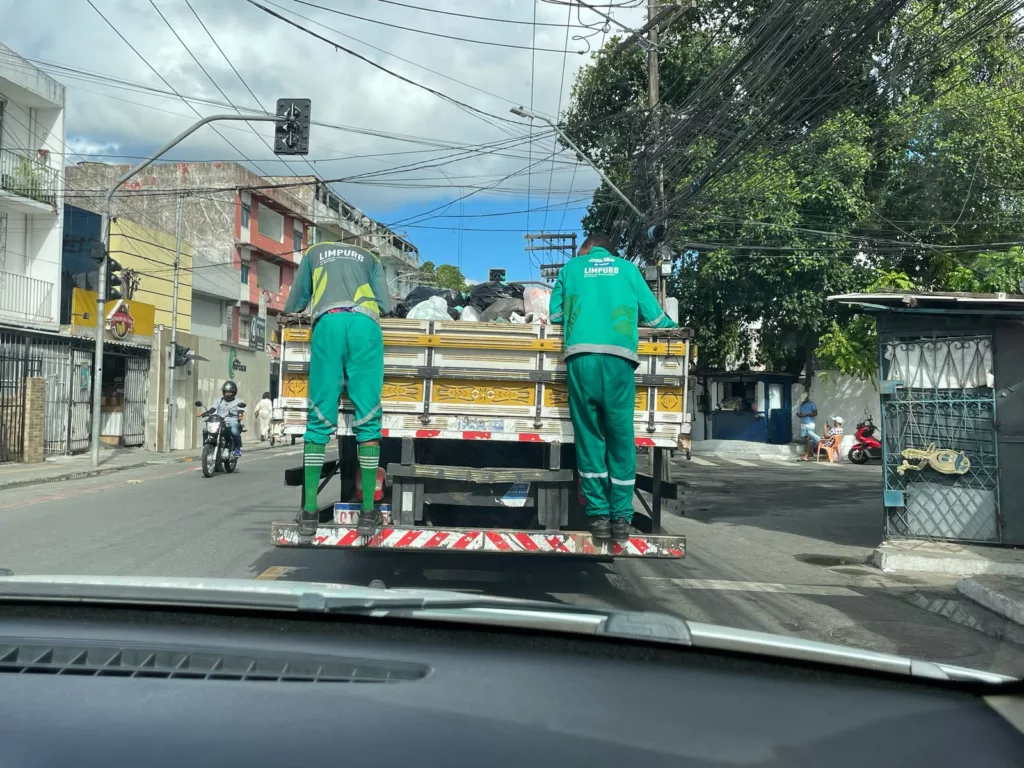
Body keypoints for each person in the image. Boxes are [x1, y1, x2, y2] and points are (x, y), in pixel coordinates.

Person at [549, 233, 678, 543]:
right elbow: (657, 318)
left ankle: (598, 517)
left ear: (590, 249)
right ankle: (621, 517)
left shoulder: (571, 269)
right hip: (620, 362)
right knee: (620, 438)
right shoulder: (629, 270)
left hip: (581, 360)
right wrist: (674, 331)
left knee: (589, 437)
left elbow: (554, 317)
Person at [283, 241, 391, 536]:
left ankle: (308, 513)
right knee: (368, 419)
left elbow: (295, 303)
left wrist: (292, 311)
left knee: (318, 419)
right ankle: (368, 513)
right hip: (366, 328)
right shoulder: (370, 257)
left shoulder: (315, 252)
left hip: (328, 326)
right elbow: (385, 305)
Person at [207, 381, 243, 457]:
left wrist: (240, 414)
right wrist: (206, 413)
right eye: (226, 392)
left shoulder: (238, 401)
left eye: (230, 392)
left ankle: (237, 448)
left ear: (234, 392)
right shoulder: (219, 400)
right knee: (206, 430)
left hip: (232, 420)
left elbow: (240, 410)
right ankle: (206, 446)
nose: (227, 393)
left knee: (234, 430)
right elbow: (213, 408)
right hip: (220, 420)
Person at [797, 393, 819, 461]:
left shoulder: (812, 404)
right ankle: (809, 452)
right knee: (805, 438)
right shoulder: (802, 405)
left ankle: (809, 452)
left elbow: (815, 413)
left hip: (810, 423)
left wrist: (806, 415)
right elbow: (801, 414)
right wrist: (799, 415)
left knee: (810, 438)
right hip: (803, 423)